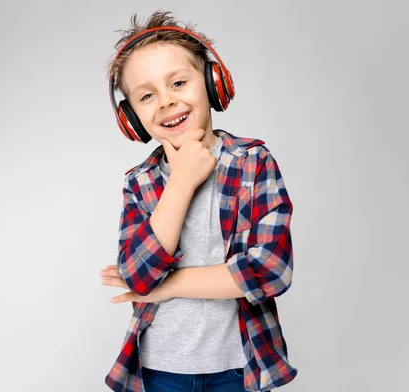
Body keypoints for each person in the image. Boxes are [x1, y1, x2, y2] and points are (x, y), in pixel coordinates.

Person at [100, 10, 297, 392]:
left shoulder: (253, 163)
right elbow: (141, 279)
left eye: (178, 82)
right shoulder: (139, 184)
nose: (166, 102)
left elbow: (272, 270)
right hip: (160, 370)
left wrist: (170, 285)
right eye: (146, 95)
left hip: (239, 367)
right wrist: (182, 182)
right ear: (132, 118)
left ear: (212, 83)